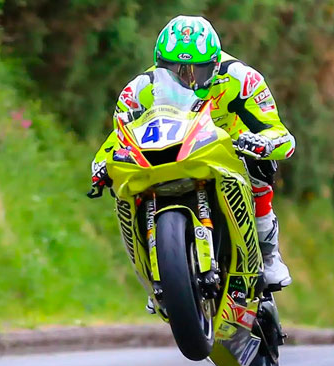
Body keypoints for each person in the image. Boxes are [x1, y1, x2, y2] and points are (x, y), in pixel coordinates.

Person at [89, 15, 294, 313]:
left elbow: (280, 133)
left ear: (215, 63)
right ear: (159, 64)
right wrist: (101, 164)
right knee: (124, 184)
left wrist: (263, 142)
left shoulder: (241, 79)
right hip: (173, 151)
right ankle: (156, 274)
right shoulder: (139, 90)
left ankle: (268, 254)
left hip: (229, 151)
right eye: (174, 70)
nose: (187, 79)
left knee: (260, 167)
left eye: (198, 70)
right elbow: (118, 137)